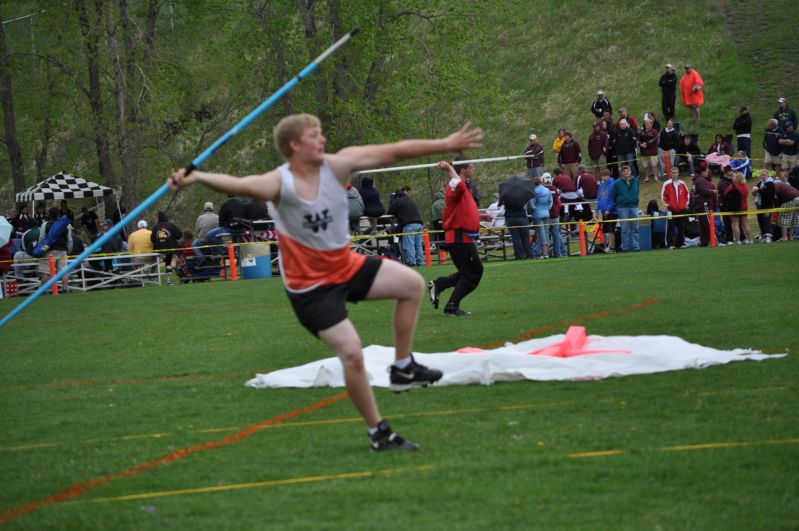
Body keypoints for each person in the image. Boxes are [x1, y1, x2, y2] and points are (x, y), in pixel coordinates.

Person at [169, 114, 482, 451]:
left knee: (412, 285)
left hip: (345, 265)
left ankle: (403, 367)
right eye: (314, 136)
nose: (322, 140)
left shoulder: (337, 166)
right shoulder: (280, 183)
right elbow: (239, 184)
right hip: (310, 287)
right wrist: (197, 176)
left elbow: (394, 151)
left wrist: (446, 144)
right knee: (352, 353)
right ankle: (379, 432)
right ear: (294, 145)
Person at [429, 157, 490, 317]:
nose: (473, 170)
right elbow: (458, 183)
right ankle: (451, 306)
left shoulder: (463, 187)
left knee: (470, 272)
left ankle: (440, 284)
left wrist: (479, 216)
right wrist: (449, 168)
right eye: (471, 167)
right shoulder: (454, 185)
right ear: (463, 169)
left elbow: (463, 210)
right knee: (473, 273)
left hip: (463, 237)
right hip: (458, 237)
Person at [37, 207, 73, 292]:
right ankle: (65, 288)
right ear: (59, 214)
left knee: (45, 271)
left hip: (48, 250)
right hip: (62, 250)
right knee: (63, 271)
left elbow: (41, 239)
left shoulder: (45, 224)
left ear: (49, 214)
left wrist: (40, 250)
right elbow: (70, 240)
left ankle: (43, 290)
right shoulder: (65, 224)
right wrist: (68, 251)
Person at [387, 186, 425, 267]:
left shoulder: (398, 201)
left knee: (409, 245)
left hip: (409, 225)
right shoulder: (409, 200)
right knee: (418, 245)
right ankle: (421, 262)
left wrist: (392, 201)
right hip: (419, 224)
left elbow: (390, 212)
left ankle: (411, 262)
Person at [500, 178, 533, 261]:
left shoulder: (505, 194)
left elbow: (499, 204)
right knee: (525, 238)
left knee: (515, 238)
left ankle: (519, 255)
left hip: (510, 218)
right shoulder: (522, 194)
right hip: (521, 217)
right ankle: (529, 255)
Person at [612, 165, 640, 252]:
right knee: (624, 229)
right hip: (622, 207)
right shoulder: (617, 183)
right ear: (621, 173)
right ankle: (625, 248)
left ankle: (636, 247)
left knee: (635, 228)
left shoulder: (636, 180)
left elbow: (637, 192)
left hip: (634, 206)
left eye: (627, 171)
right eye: (624, 171)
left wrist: (635, 200)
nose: (626, 173)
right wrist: (620, 202)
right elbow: (614, 195)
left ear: (630, 172)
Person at [661, 167, 690, 249]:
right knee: (670, 227)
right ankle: (670, 244)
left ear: (678, 173)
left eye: (676, 172)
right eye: (673, 172)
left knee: (681, 227)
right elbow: (663, 196)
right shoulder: (666, 184)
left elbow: (687, 195)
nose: (675, 174)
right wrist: (668, 205)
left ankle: (680, 244)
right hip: (671, 210)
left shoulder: (682, 183)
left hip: (681, 209)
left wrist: (685, 205)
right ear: (670, 173)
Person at [688, 165, 717, 246]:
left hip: (698, 205)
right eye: (706, 171)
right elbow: (705, 191)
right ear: (702, 172)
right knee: (709, 224)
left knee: (702, 225)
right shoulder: (701, 180)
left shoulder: (696, 180)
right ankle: (714, 241)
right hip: (704, 205)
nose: (707, 173)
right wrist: (713, 191)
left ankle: (704, 242)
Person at [528, 175, 553, 259]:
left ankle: (545, 253)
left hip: (537, 213)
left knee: (541, 233)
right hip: (546, 212)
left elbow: (531, 204)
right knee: (546, 232)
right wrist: (546, 208)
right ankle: (547, 252)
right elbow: (551, 202)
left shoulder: (533, 191)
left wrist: (535, 209)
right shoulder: (547, 190)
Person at [724, 172, 753, 244]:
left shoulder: (733, 186)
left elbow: (725, 193)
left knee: (735, 223)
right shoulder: (745, 186)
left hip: (735, 207)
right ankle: (750, 239)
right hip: (744, 207)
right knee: (745, 224)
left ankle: (738, 240)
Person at [595, 169, 617, 253]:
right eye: (602, 176)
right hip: (603, 211)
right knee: (606, 230)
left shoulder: (613, 184)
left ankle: (612, 247)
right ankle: (608, 246)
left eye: (605, 176)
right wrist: (597, 210)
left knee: (611, 230)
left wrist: (609, 209)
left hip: (612, 212)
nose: (604, 178)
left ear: (609, 175)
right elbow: (599, 198)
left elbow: (614, 199)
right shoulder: (601, 185)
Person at [752, 169, 775, 243]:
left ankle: (769, 237)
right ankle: (764, 235)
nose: (763, 176)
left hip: (767, 206)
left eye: (764, 175)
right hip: (759, 205)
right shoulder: (759, 183)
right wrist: (754, 192)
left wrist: (758, 190)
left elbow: (768, 195)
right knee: (760, 220)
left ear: (768, 175)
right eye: (761, 175)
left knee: (766, 220)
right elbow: (757, 194)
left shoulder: (770, 183)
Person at [638, 118, 660, 183]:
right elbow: (638, 140)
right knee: (645, 166)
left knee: (654, 165)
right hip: (644, 152)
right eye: (645, 123)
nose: (646, 124)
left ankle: (656, 177)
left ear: (651, 124)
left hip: (652, 152)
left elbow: (654, 140)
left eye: (648, 123)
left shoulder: (654, 132)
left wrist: (646, 144)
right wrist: (640, 144)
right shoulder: (642, 132)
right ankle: (646, 178)